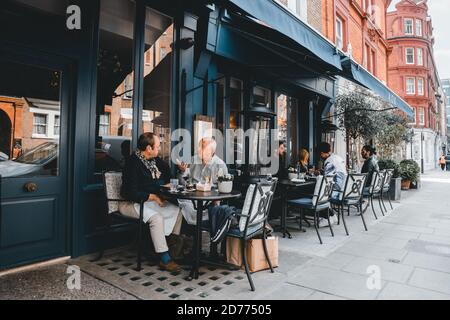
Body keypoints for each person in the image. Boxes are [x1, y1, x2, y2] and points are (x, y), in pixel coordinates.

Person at [120, 132, 182, 272]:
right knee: (156, 218)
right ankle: (165, 259)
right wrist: (154, 197)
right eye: (157, 146)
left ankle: (172, 250)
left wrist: (178, 173)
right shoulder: (133, 163)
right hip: (130, 203)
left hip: (147, 201)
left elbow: (167, 175)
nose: (159, 149)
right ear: (149, 148)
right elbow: (130, 192)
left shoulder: (153, 161)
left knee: (176, 211)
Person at [177, 137, 228, 225]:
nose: (198, 149)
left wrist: (216, 199)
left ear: (211, 151)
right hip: (191, 198)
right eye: (199, 147)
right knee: (175, 202)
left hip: (209, 200)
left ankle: (198, 228)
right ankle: (190, 230)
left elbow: (224, 189)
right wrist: (182, 171)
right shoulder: (193, 160)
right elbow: (184, 183)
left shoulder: (220, 165)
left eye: (202, 147)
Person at [316, 142, 347, 226]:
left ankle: (327, 218)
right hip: (343, 190)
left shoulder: (329, 161)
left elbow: (327, 181)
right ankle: (332, 216)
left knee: (319, 194)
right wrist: (322, 171)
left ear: (322, 153)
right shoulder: (337, 157)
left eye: (320, 155)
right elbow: (335, 172)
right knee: (322, 192)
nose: (320, 157)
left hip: (336, 192)